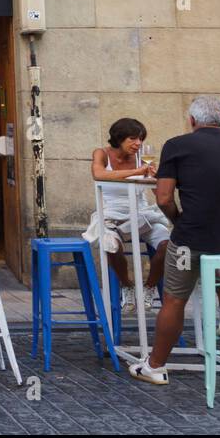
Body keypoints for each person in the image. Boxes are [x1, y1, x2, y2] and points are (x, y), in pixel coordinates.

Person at [130, 97, 220, 385]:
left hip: (191, 239)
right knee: (212, 255)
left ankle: (154, 366)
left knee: (174, 300)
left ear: (191, 121)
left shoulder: (177, 145)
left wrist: (179, 221)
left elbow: (163, 198)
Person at [82, 118, 169, 308]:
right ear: (119, 138)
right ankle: (127, 285)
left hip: (142, 214)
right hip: (112, 215)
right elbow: (98, 174)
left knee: (168, 244)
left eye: (140, 139)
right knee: (111, 245)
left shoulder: (143, 157)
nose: (138, 143)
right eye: (132, 138)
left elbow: (157, 191)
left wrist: (155, 179)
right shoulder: (102, 153)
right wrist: (138, 171)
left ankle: (149, 287)